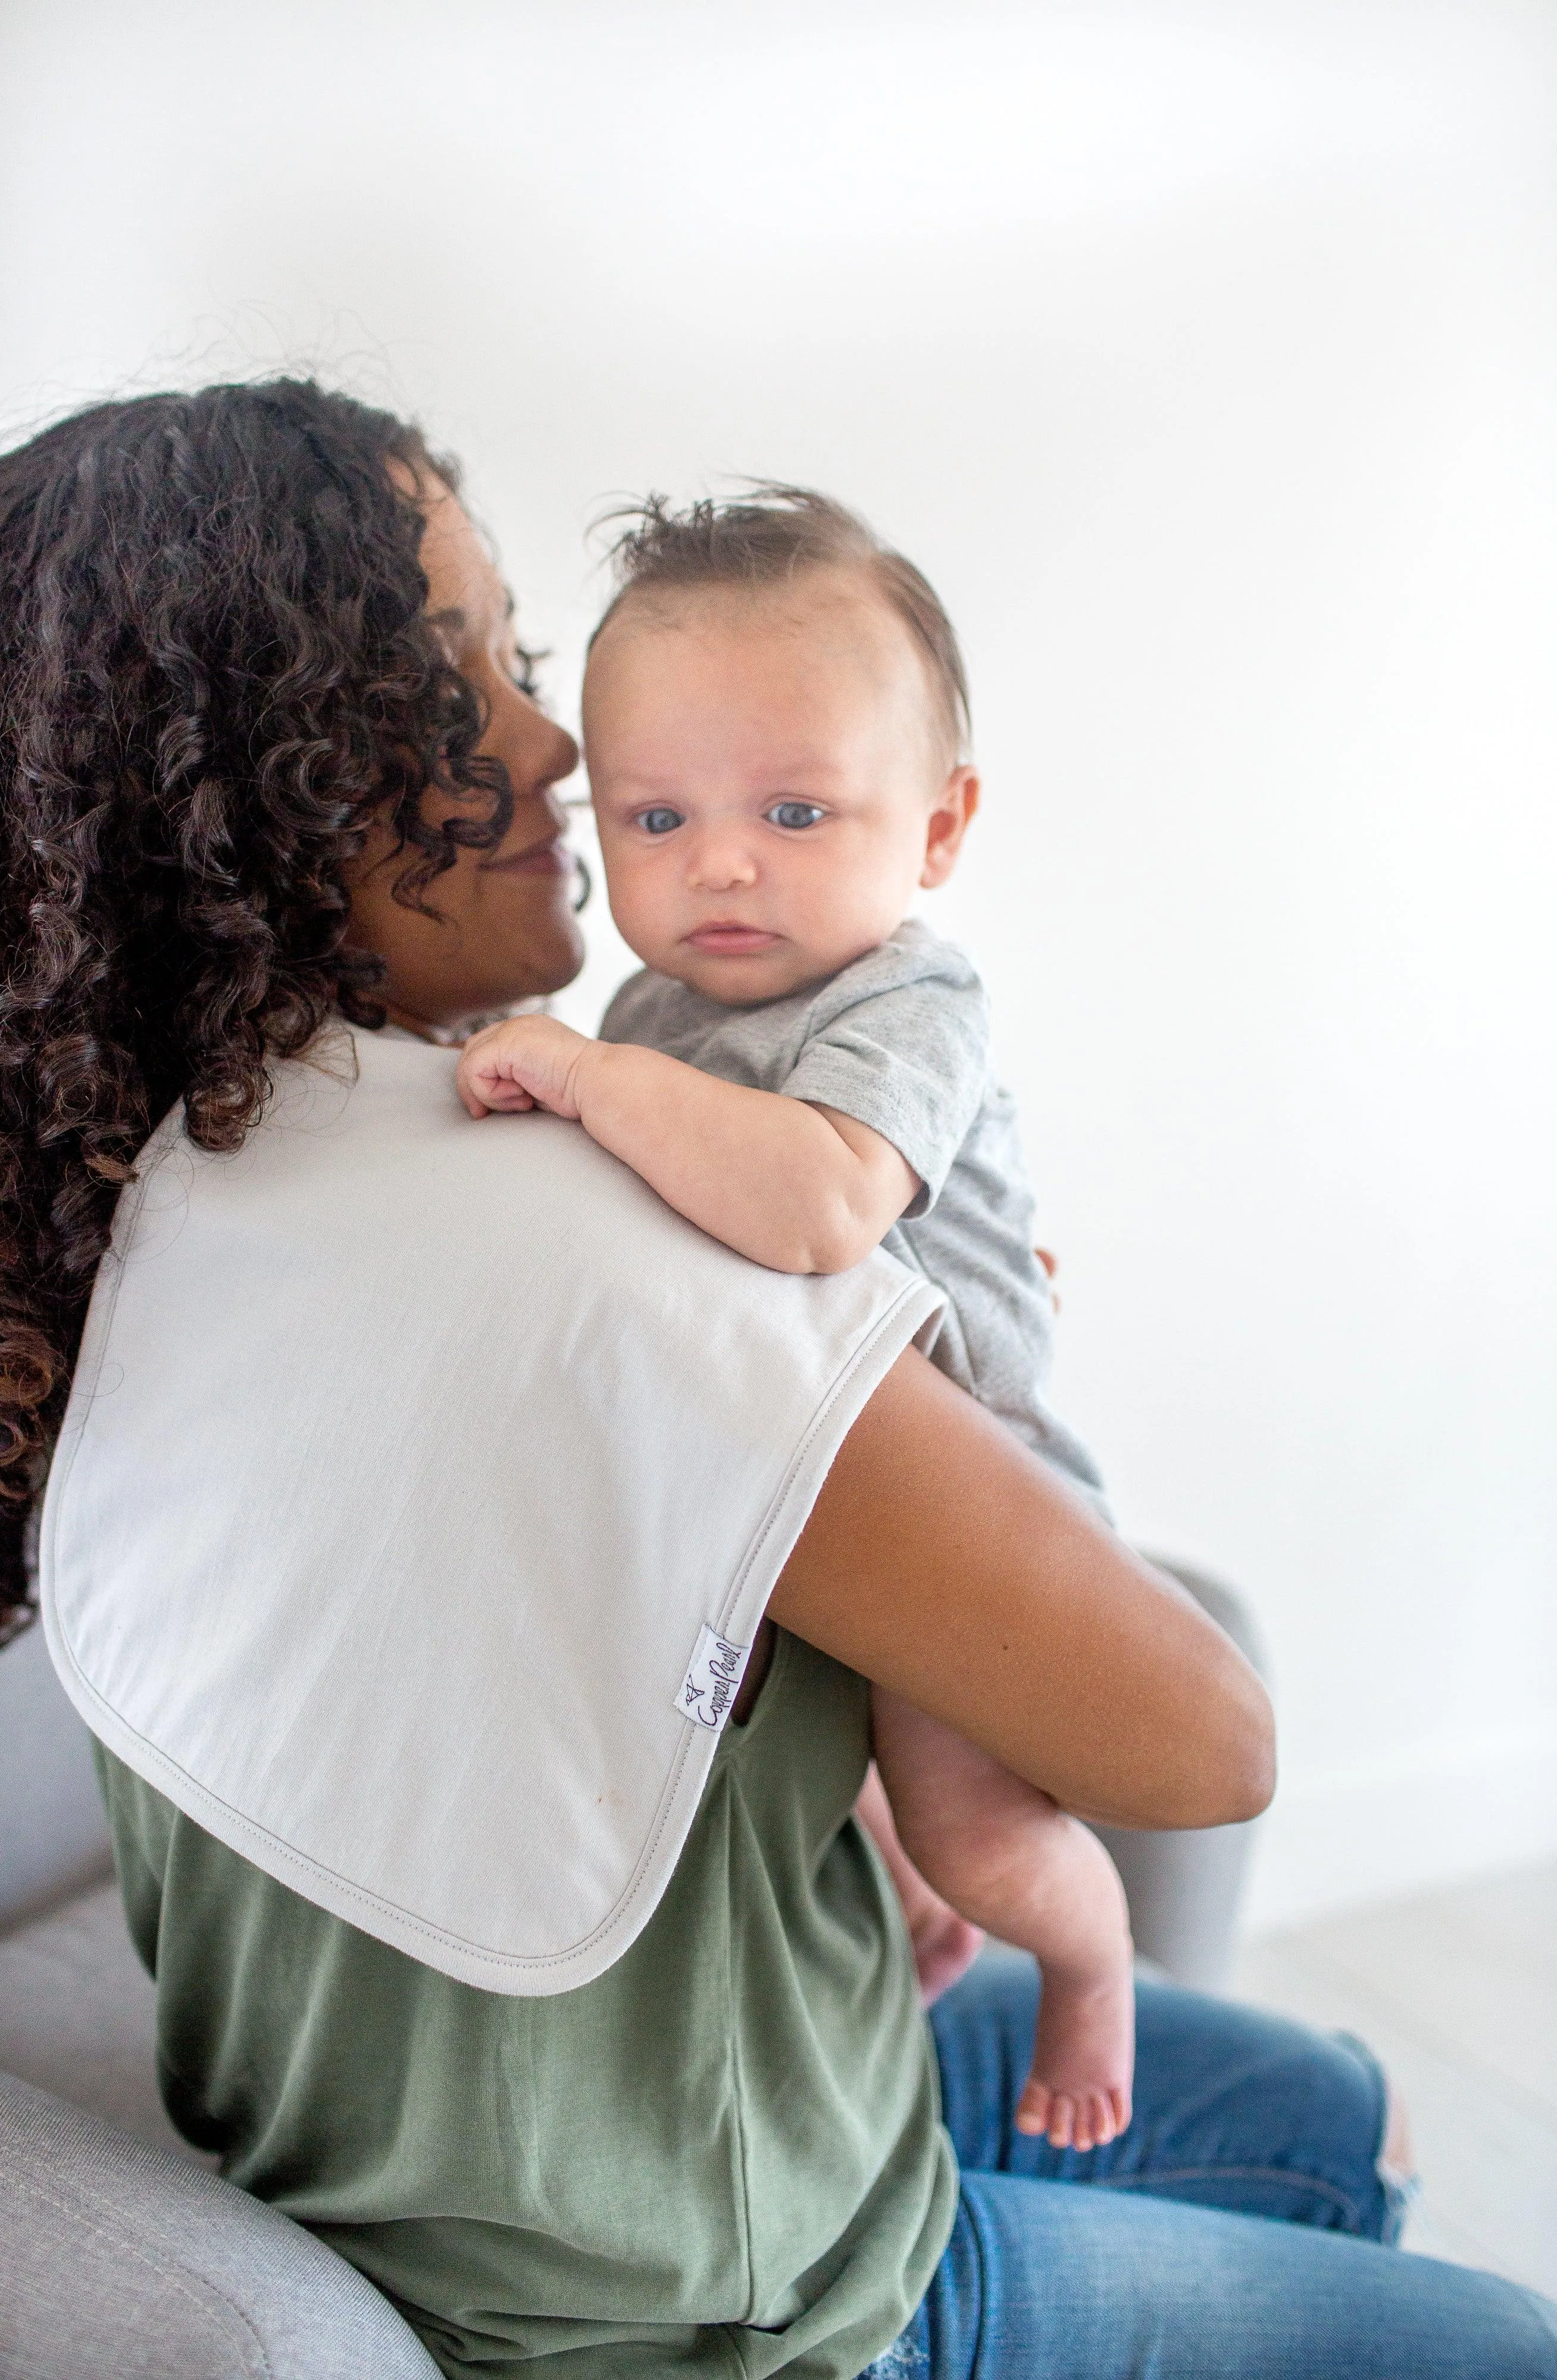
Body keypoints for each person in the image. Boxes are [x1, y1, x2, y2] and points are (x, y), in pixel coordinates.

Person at [2, 380, 1557, 2380]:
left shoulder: (165, 1194)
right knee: (1513, 2337)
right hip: (729, 2292)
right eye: (478, 669)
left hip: (601, 2122)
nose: (565, 744)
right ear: (288, 767)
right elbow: (1206, 1745)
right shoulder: (573, 1234)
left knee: (1338, 2114)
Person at [455, 488, 1133, 2153]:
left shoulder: (909, 996)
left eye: (798, 809)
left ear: (940, 827)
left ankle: (1096, 1964)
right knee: (780, 1772)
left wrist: (587, 1082)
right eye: (657, 818)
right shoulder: (651, 1005)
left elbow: (824, 1200)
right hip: (805, 1487)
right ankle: (897, 1888)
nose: (724, 865)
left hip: (974, 1494)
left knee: (981, 1835)